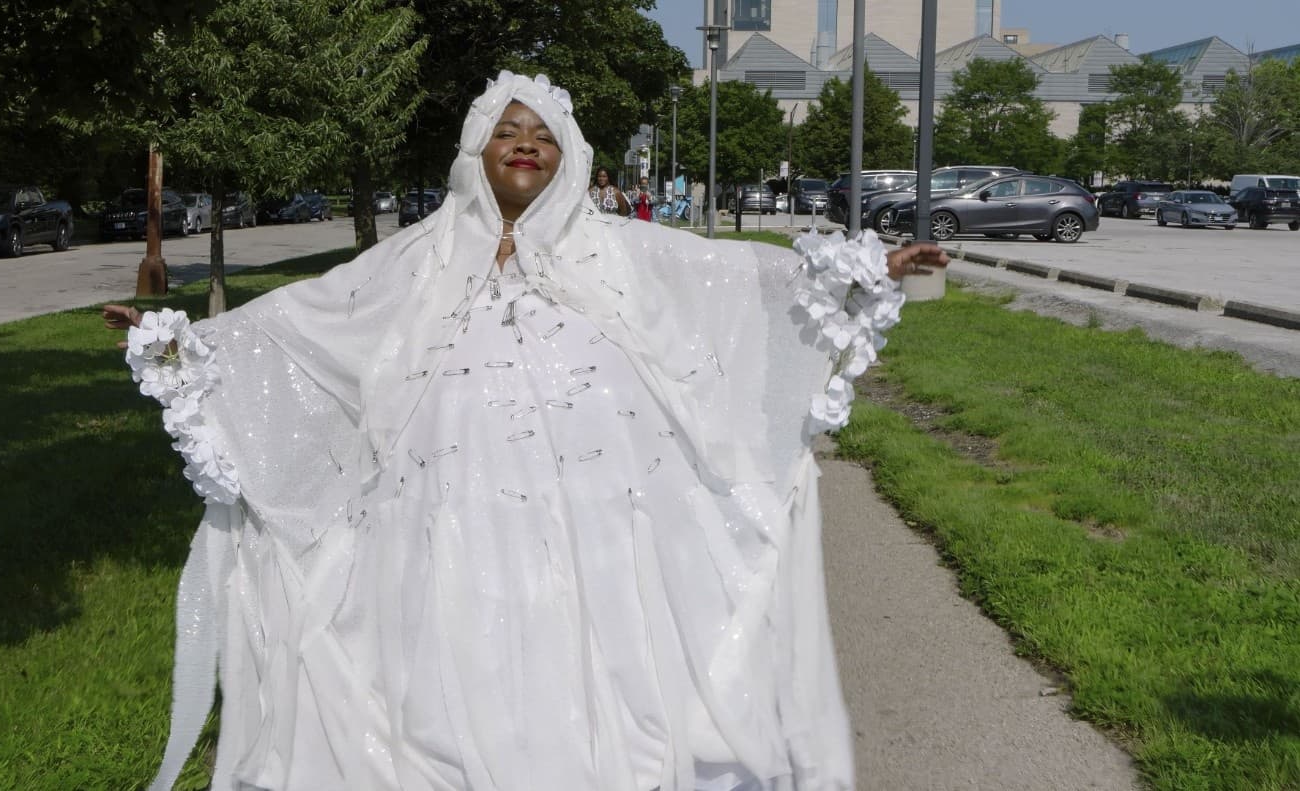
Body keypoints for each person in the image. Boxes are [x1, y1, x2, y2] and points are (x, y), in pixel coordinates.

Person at [105, 71, 947, 791]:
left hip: (594, 517)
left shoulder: (620, 248)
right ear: (477, 150)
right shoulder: (420, 256)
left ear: (569, 157)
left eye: (543, 135)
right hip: (446, 516)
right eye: (508, 131)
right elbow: (316, 317)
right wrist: (183, 345)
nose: (525, 143)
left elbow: (730, 281)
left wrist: (865, 272)